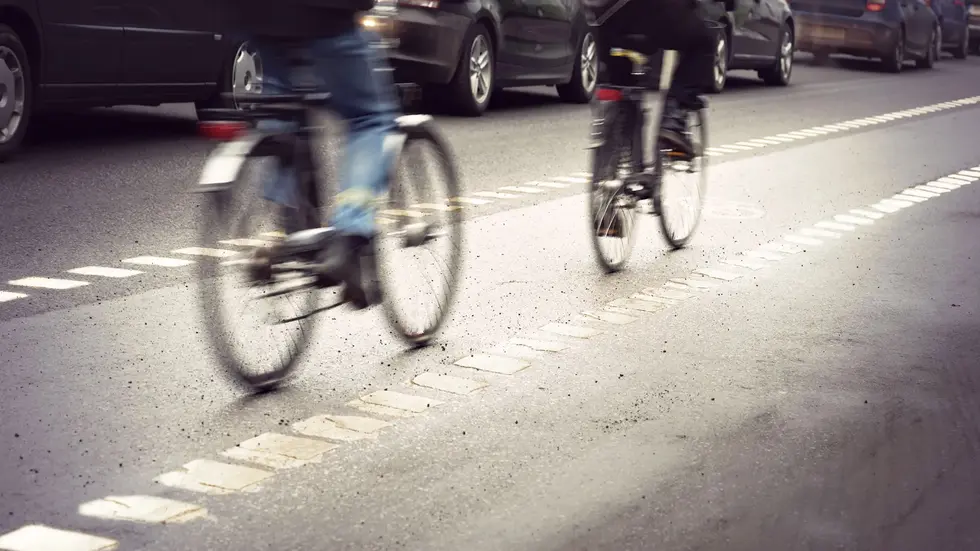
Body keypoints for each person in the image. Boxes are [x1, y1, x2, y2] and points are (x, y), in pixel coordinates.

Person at [229, 0, 401, 309]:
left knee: (284, 114)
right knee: (369, 118)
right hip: (327, 14)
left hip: (258, 16)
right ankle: (350, 231)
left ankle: (290, 228)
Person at [588, 0, 721, 159]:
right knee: (704, 40)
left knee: (616, 82)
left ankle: (611, 120)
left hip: (602, 13)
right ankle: (674, 119)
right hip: (653, 13)